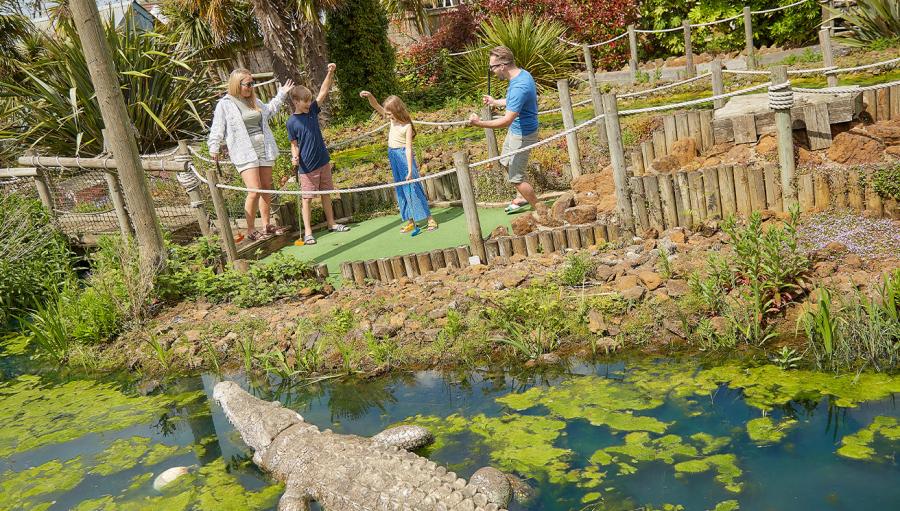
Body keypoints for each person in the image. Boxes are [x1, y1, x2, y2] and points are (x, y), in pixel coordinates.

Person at [208, 68, 293, 241]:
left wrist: (281, 95)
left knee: (266, 187)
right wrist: (214, 146)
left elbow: (269, 111)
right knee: (254, 190)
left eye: (252, 83)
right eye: (248, 84)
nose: (251, 87)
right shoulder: (225, 104)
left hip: (264, 148)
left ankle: (266, 224)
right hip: (244, 150)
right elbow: (218, 127)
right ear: (237, 85)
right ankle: (251, 229)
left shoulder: (254, 100)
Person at [468, 46, 540, 214]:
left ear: (502, 66)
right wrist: (495, 102)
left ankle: (540, 209)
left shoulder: (518, 87)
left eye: (492, 67)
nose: (491, 71)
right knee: (505, 162)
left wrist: (479, 123)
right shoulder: (521, 75)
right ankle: (522, 197)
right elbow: (514, 102)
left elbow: (506, 120)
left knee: (516, 179)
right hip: (517, 131)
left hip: (523, 134)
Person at [287, 63, 350, 245]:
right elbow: (293, 144)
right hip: (307, 167)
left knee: (326, 193)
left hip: (323, 160)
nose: (308, 104)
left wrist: (330, 72)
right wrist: (294, 156)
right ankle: (307, 233)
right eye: (304, 101)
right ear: (296, 102)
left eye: (309, 100)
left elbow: (323, 91)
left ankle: (331, 223)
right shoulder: (292, 122)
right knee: (306, 199)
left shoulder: (313, 111)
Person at [360, 91, 437, 236]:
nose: (387, 116)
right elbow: (375, 105)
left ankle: (430, 218)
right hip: (393, 155)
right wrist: (370, 95)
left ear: (397, 111)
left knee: (413, 186)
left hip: (403, 156)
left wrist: (409, 169)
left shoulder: (406, 126)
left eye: (389, 113)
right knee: (401, 189)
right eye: (387, 114)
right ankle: (410, 221)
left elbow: (408, 149)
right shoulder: (391, 120)